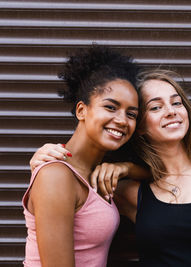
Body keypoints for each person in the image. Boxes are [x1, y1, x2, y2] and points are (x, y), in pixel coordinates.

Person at [29, 69, 191, 266]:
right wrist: (44, 162)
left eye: (176, 102)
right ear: (139, 127)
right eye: (155, 107)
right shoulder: (125, 192)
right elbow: (71, 184)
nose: (171, 111)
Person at [22, 45, 142, 266]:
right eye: (111, 107)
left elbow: (173, 160)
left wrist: (127, 168)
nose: (123, 120)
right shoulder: (56, 175)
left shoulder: (95, 172)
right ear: (81, 111)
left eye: (131, 114)